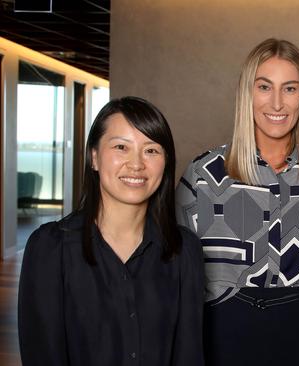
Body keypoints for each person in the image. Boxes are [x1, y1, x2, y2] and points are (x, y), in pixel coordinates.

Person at [176, 38, 299, 365]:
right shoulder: (203, 175)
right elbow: (177, 282)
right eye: (265, 87)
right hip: (219, 340)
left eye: (290, 89)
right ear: (247, 94)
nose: (277, 103)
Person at [18, 97, 205, 366]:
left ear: (165, 163)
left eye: (151, 150)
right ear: (94, 157)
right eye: (121, 147)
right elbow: (42, 354)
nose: (137, 164)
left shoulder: (184, 250)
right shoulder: (49, 248)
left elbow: (189, 355)